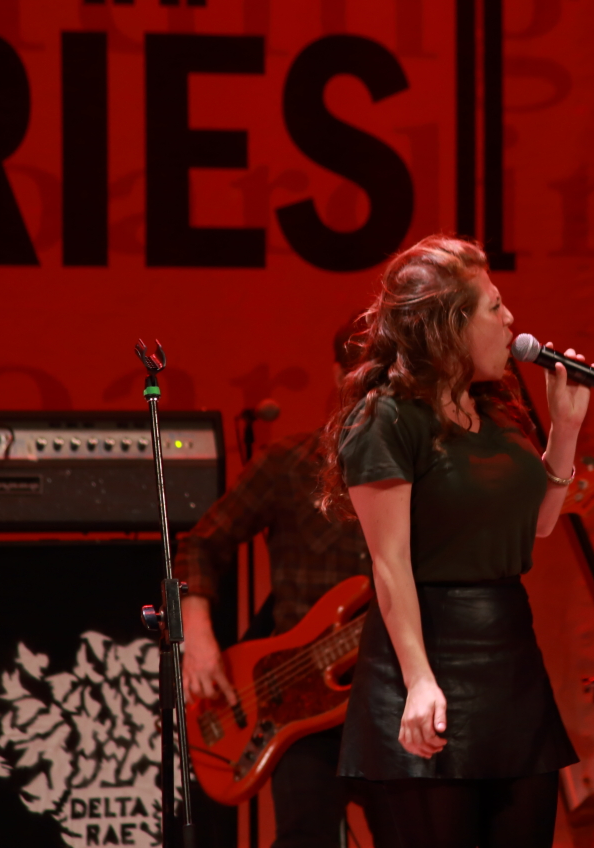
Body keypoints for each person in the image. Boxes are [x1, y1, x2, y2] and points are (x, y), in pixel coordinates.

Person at [319, 234, 588, 848]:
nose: (511, 319)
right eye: (494, 306)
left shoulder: (495, 410)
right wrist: (419, 680)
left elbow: (539, 526)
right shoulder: (386, 419)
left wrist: (566, 432)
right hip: (428, 653)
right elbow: (390, 564)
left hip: (509, 654)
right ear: (449, 326)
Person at [177, 317, 388, 848]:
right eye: (365, 371)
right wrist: (197, 636)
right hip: (297, 704)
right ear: (338, 374)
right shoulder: (288, 465)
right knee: (304, 837)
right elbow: (200, 543)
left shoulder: (426, 472)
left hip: (394, 696)